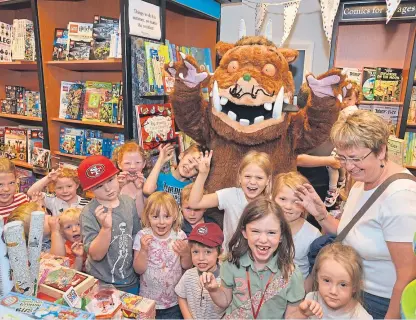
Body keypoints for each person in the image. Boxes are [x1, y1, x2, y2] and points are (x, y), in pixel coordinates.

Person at [295, 110, 416, 319]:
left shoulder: (399, 196)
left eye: (355, 158)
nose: (348, 166)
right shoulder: (363, 179)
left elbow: (408, 273)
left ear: (381, 151)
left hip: (381, 302)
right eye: (342, 158)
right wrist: (321, 214)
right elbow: (350, 233)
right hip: (354, 293)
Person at [200, 198, 305, 319]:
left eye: (271, 232)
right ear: (244, 232)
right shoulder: (233, 262)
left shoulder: (291, 274)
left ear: (281, 235)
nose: (263, 239)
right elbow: (225, 301)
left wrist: (304, 313)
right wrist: (213, 290)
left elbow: (292, 316)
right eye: (255, 231)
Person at [78, 155, 140, 294]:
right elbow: (96, 255)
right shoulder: (88, 213)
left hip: (130, 280)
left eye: (111, 180)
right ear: (90, 189)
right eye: (99, 186)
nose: (107, 189)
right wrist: (106, 228)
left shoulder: (128, 202)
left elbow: (136, 235)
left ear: (117, 176)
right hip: (100, 283)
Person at [189, 150, 272, 252]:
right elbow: (194, 203)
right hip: (231, 258)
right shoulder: (230, 195)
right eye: (247, 176)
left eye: (259, 178)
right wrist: (202, 174)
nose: (252, 182)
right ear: (240, 177)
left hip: (259, 258)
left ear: (268, 180)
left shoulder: (271, 203)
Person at [133, 191, 192, 319]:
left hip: (174, 302)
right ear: (147, 216)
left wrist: (186, 253)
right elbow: (138, 269)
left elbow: (186, 266)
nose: (161, 222)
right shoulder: (142, 236)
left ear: (175, 215)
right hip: (148, 302)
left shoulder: (180, 235)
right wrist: (143, 250)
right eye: (155, 216)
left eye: (167, 216)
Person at [298, 242, 372, 319]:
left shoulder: (361, 317)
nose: (333, 291)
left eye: (343, 285)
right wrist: (302, 314)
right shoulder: (311, 299)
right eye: (326, 280)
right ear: (317, 277)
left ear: (355, 286)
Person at [273, 172, 321, 285]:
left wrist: (302, 295)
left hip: (296, 293)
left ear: (305, 205)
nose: (288, 206)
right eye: (283, 199)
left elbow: (315, 271)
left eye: (296, 202)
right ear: (272, 198)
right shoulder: (263, 226)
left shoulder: (313, 235)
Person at [175, 223, 225, 319]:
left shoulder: (226, 278)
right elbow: (181, 296)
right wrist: (187, 317)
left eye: (208, 252)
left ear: (220, 253)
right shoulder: (189, 275)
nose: (201, 258)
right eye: (196, 252)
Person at [323, 81, 362, 207]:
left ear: (357, 99)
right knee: (340, 163)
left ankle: (333, 188)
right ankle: (341, 180)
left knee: (333, 163)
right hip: (344, 143)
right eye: (344, 98)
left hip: (344, 142)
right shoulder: (350, 111)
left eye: (349, 99)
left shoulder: (349, 111)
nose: (346, 102)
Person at [143, 143, 207, 204]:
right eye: (190, 161)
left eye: (195, 169)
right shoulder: (160, 177)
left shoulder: (192, 188)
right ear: (181, 155)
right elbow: (147, 191)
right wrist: (160, 161)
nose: (190, 167)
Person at [113, 141, 146, 217]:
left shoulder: (146, 185)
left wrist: (139, 189)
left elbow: (140, 215)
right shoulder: (113, 183)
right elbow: (111, 210)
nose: (133, 166)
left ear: (144, 164)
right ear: (119, 164)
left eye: (137, 162)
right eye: (127, 163)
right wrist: (119, 188)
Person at [0, 158, 29, 223]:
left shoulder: (23, 200)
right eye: (0, 184)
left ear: (17, 181)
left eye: (11, 183)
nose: (6, 189)